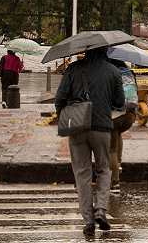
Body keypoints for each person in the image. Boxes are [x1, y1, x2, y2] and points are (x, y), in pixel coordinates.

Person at [55, 47, 125, 236]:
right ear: (105, 50)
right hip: (102, 127)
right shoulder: (113, 71)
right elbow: (120, 101)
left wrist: (64, 115)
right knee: (103, 170)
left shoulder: (73, 69)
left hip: (77, 127)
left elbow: (60, 98)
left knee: (82, 175)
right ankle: (101, 209)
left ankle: (88, 221)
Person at [108, 59, 138, 194]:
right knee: (118, 134)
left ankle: (115, 182)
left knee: (111, 149)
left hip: (114, 115)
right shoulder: (129, 72)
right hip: (129, 116)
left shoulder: (109, 73)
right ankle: (118, 166)